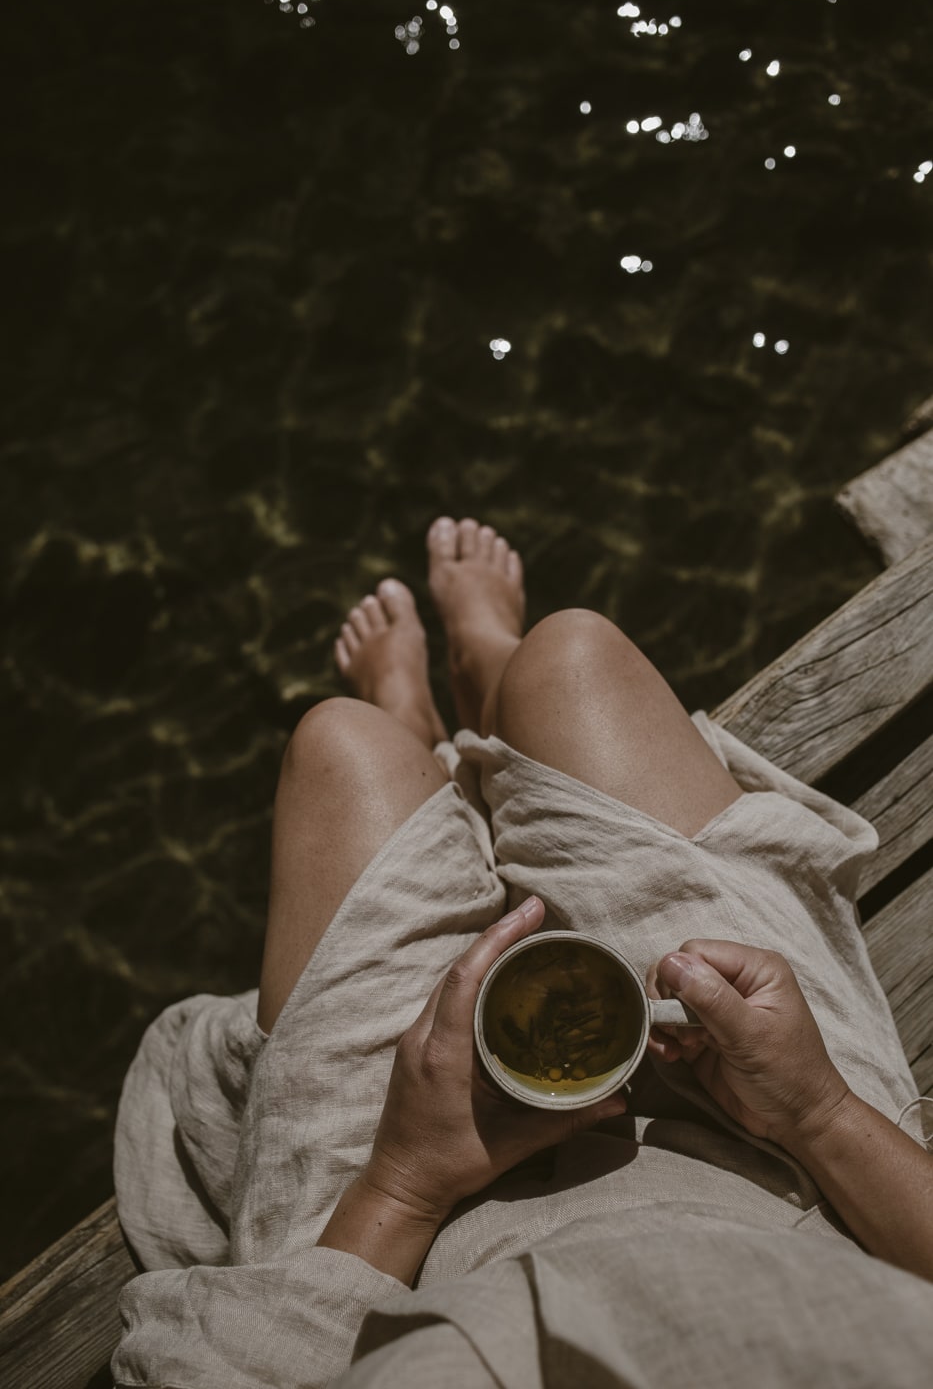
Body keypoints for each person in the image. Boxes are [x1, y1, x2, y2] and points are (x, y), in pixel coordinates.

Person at [112, 517, 933, 1389]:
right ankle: (483, 681)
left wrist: (403, 1183)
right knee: (570, 657)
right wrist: (816, 1110)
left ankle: (425, 733)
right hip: (786, 1168)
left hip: (373, 1270)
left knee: (343, 747)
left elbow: (239, 1366)